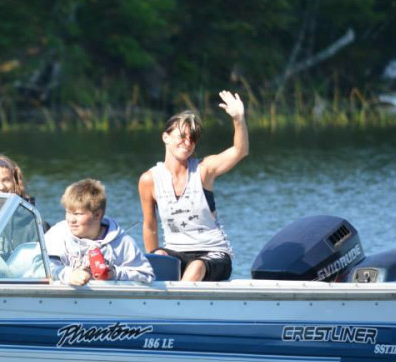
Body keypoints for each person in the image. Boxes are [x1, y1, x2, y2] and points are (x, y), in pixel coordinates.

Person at [138, 90, 248, 282]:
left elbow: (240, 151)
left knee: (196, 267)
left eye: (193, 139)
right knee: (160, 257)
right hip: (176, 252)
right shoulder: (149, 180)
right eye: (182, 136)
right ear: (166, 137)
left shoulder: (204, 170)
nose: (187, 142)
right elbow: (150, 226)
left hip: (214, 254)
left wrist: (238, 119)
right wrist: (155, 265)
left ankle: (177, 309)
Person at [45, 179, 154, 286]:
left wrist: (114, 273)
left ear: (97, 215)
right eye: (68, 212)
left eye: (78, 214)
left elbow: (147, 275)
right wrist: (69, 275)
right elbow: (39, 268)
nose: (71, 220)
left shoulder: (121, 242)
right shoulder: (56, 235)